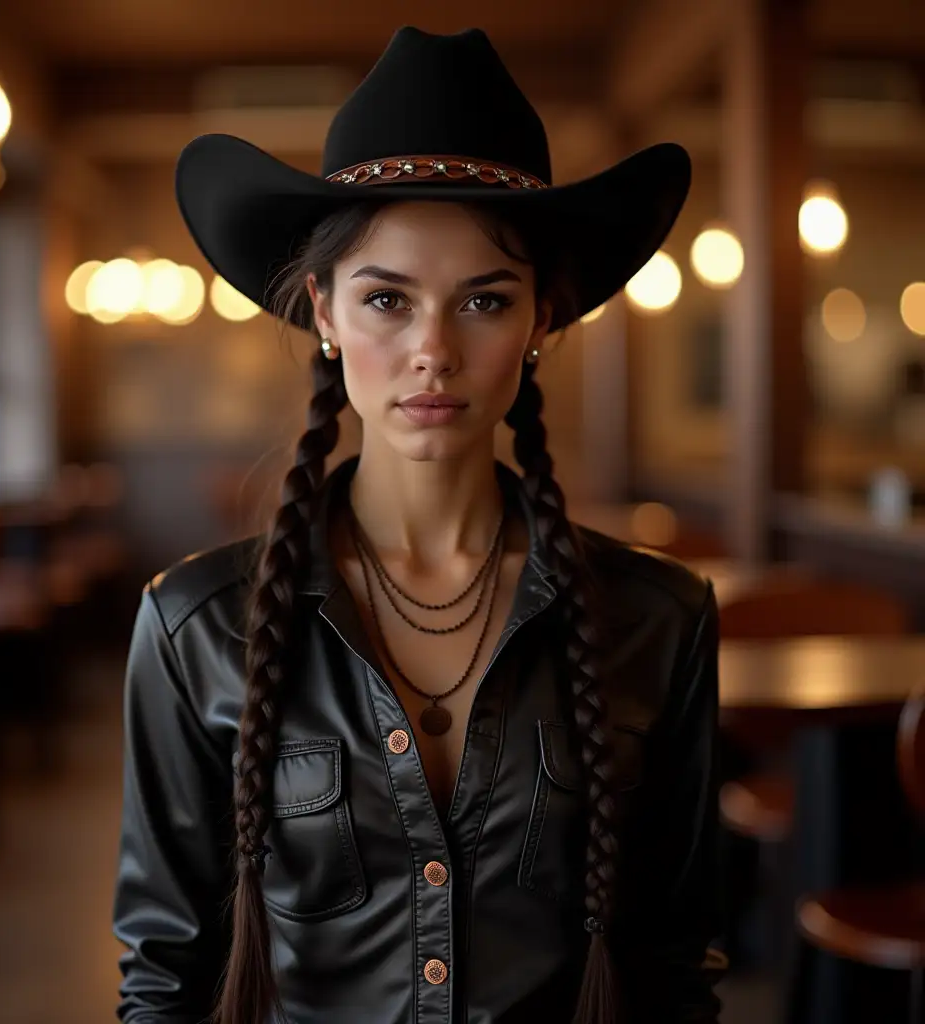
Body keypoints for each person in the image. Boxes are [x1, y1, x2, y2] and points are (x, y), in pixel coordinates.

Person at [112, 25, 726, 1024]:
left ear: (541, 322)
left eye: (483, 300)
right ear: (322, 310)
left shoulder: (658, 616)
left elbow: (670, 964)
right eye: (386, 298)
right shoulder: (192, 627)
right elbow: (165, 976)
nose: (431, 350)